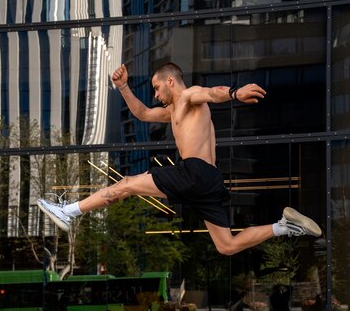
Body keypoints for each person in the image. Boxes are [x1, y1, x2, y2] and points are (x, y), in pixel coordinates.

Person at [38, 62, 321, 255]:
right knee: (227, 246)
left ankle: (69, 211)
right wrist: (124, 87)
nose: (155, 94)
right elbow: (142, 114)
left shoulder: (187, 96)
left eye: (157, 88)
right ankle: (285, 226)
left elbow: (211, 93)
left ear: (170, 81)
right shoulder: (173, 111)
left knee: (125, 184)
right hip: (208, 181)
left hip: (195, 172)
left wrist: (235, 92)